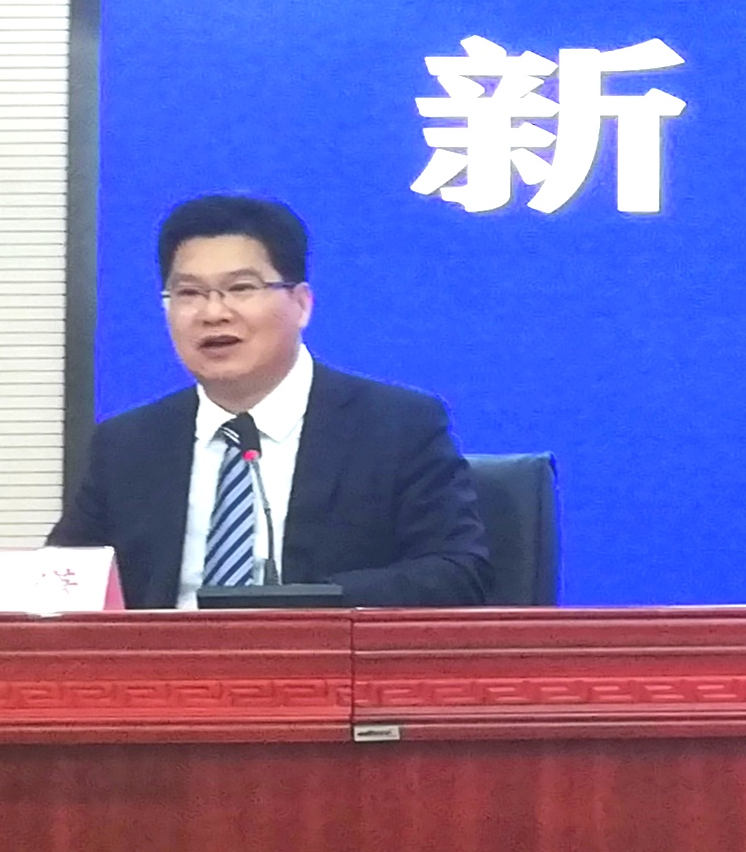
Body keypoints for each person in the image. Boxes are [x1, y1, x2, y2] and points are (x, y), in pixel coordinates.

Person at [52, 194, 490, 608]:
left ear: (301, 304)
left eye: (241, 288)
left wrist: (302, 606)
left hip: (321, 657)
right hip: (164, 662)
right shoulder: (128, 445)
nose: (213, 313)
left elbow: (456, 572)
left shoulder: (396, 427)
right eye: (189, 293)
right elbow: (61, 581)